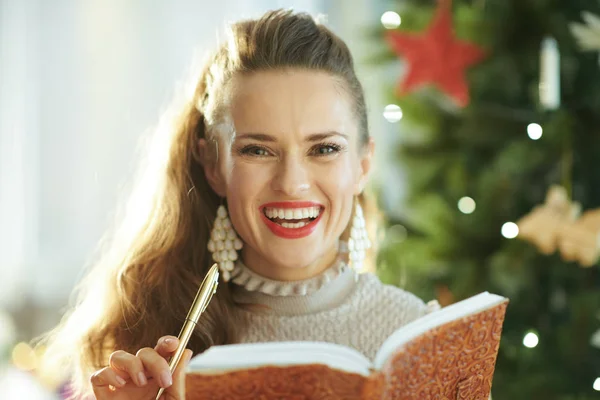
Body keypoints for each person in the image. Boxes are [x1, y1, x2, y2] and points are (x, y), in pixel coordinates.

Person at [37, 8, 436, 400]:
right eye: (258, 150)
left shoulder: (420, 336)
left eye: (325, 148)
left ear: (362, 165)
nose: (292, 184)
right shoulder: (149, 340)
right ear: (212, 165)